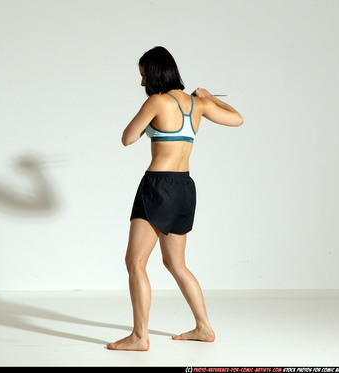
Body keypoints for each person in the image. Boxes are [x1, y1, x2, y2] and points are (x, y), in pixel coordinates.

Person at [107, 46, 243, 351]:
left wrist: (148, 125)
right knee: (176, 263)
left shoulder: (156, 102)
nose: (142, 83)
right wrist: (208, 97)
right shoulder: (198, 104)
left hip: (158, 186)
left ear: (155, 73)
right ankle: (204, 328)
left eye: (144, 76)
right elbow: (238, 119)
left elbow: (127, 138)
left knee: (135, 261)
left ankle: (139, 337)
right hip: (184, 187)